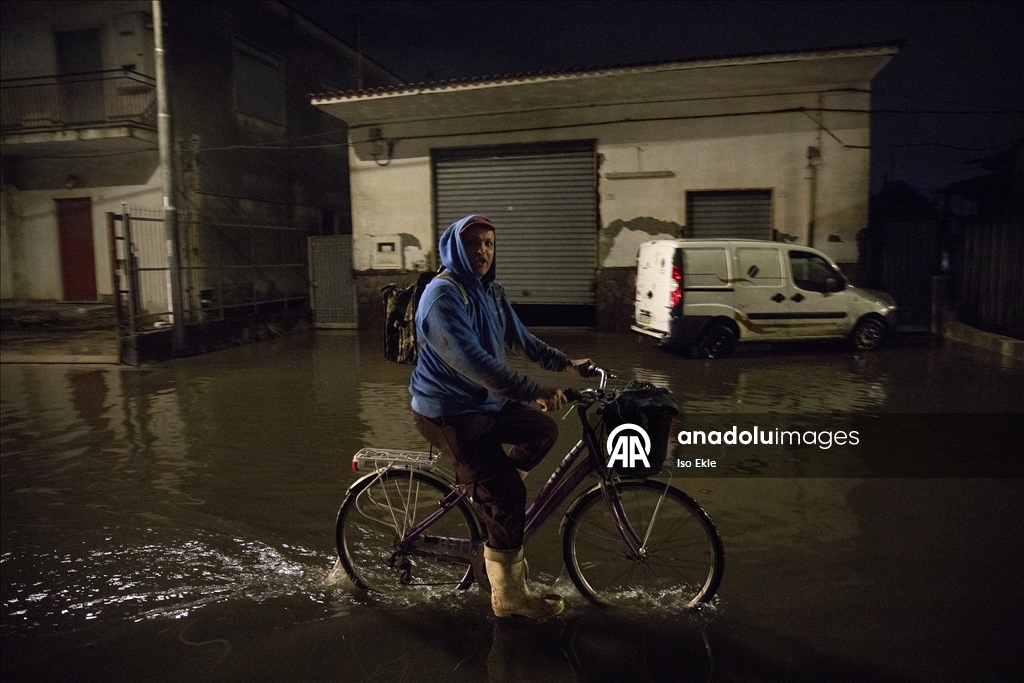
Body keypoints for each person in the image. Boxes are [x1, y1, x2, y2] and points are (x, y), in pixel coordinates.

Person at [410, 214, 592, 618]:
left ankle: (493, 503)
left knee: (542, 430)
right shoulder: (442, 297)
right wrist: (535, 390)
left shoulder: (490, 292)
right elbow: (476, 364)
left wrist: (566, 364)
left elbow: (522, 339)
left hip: (485, 403)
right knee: (509, 494)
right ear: (456, 248)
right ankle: (508, 597)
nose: (483, 251)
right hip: (449, 411)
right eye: (473, 243)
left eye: (489, 243)